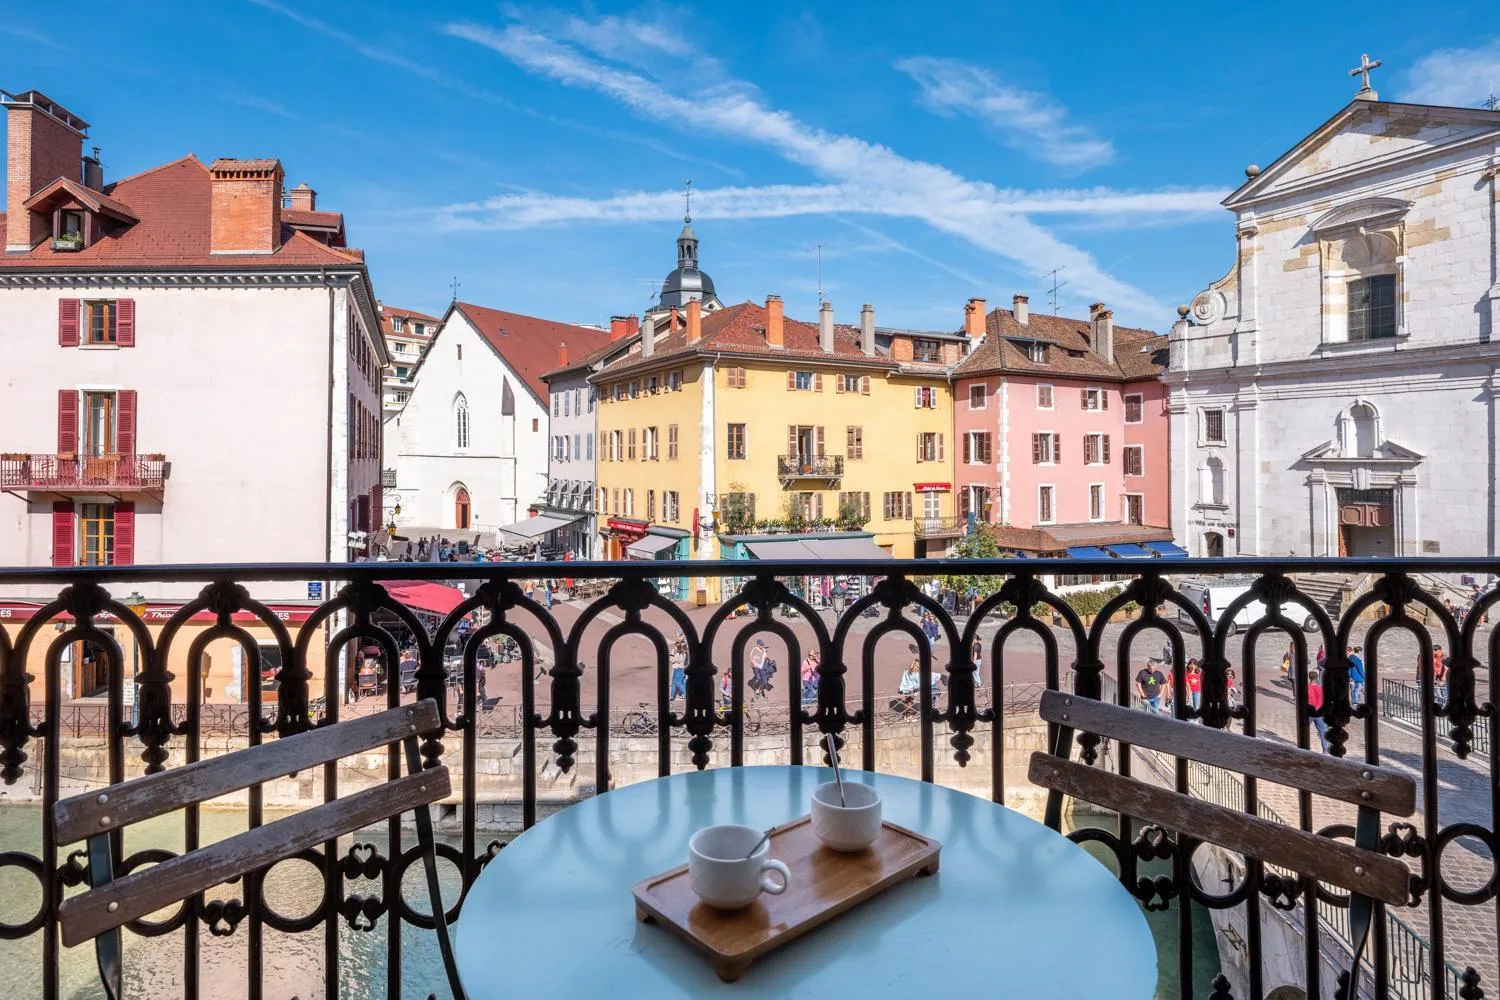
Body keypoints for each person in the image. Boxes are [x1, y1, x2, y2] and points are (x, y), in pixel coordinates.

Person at [1307, 670, 1329, 753]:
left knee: (1305, 730)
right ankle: (1325, 750)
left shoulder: (1306, 688)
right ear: (1317, 678)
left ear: (1309, 678)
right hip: (1319, 713)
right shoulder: (1321, 689)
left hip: (1309, 712)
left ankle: (1304, 746)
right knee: (1323, 732)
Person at [669, 631, 688, 702]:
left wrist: (671, 655)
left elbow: (672, 660)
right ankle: (672, 696)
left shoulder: (678, 654)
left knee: (677, 682)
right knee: (674, 683)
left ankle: (685, 694)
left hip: (678, 669)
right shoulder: (683, 653)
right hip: (680, 668)